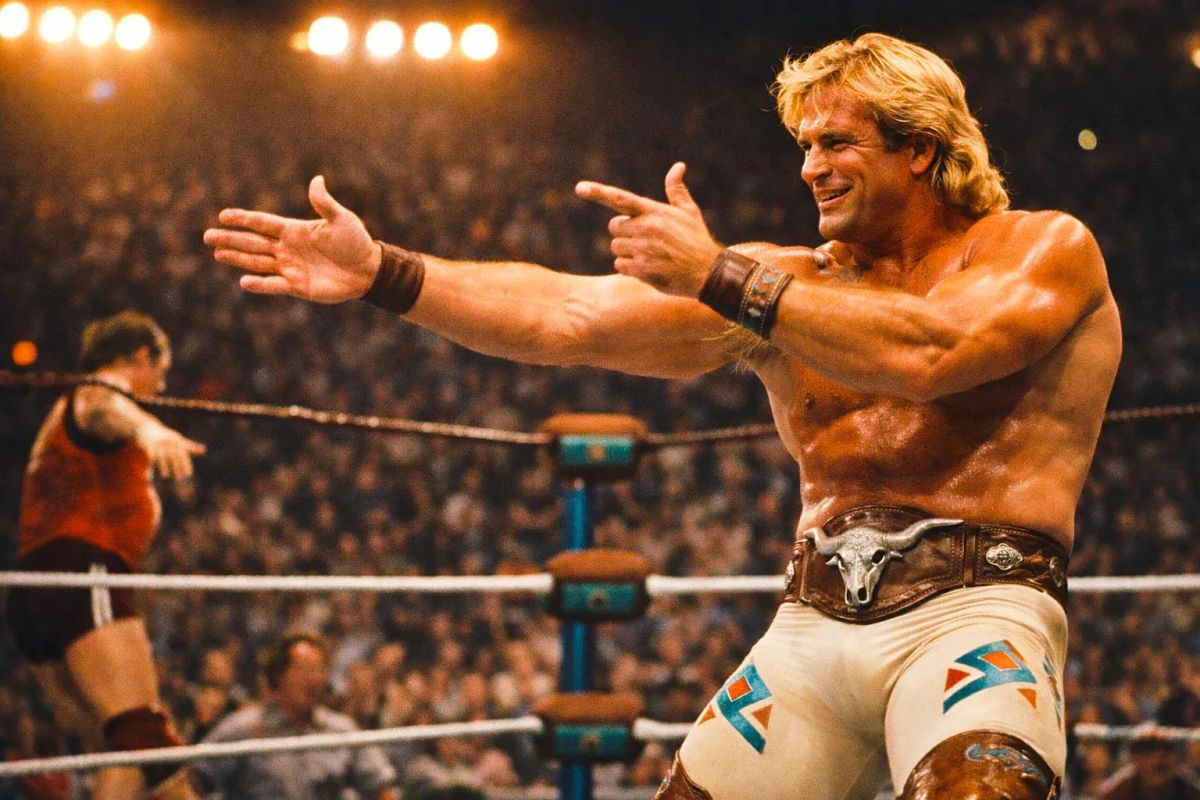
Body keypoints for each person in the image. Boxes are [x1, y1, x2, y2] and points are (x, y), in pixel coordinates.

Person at [203, 32, 1122, 800]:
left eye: (837, 143)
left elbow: (933, 354)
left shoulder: (1042, 249)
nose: (811, 168)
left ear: (919, 146)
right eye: (803, 145)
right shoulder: (790, 282)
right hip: (810, 632)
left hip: (974, 614)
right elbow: (571, 316)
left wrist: (722, 275)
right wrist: (386, 274)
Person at [5, 311, 206, 799]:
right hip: (78, 571)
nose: (161, 386)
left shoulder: (67, 411)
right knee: (135, 731)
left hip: (39, 588)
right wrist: (149, 430)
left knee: (129, 743)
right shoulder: (100, 390)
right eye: (161, 372)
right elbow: (104, 402)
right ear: (141, 357)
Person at [190, 632, 399, 800]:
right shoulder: (243, 729)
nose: (314, 679)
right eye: (304, 669)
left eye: (319, 670)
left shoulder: (340, 729)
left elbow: (380, 787)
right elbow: (193, 781)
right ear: (278, 675)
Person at [1095, 735, 1200, 800]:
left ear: (1177, 758)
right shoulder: (1116, 793)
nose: (1157, 759)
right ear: (1134, 758)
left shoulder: (1191, 792)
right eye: (1148, 751)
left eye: (1166, 751)